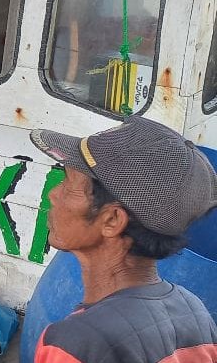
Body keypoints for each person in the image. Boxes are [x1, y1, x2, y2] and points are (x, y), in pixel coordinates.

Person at [29, 116, 217, 363]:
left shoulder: (75, 345)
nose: (54, 194)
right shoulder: (195, 312)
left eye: (69, 186)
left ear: (112, 221)